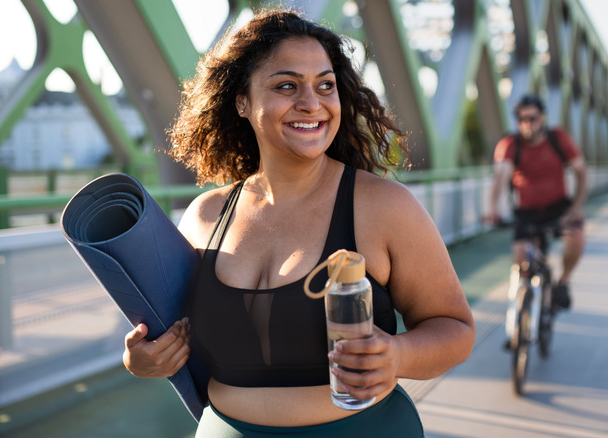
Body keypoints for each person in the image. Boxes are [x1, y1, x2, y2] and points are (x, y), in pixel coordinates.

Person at [122, 9, 475, 437]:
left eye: (325, 85)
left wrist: (398, 355)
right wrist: (143, 359)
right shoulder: (205, 216)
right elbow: (170, 334)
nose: (312, 103)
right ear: (242, 102)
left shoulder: (384, 207)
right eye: (287, 85)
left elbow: (455, 329)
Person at [484, 94, 588, 315]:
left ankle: (563, 283)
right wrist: (492, 208)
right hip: (527, 211)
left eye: (532, 118)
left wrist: (576, 207)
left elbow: (581, 173)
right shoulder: (510, 144)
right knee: (522, 260)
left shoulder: (558, 138)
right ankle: (522, 324)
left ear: (543, 117)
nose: (528, 125)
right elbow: (500, 178)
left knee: (576, 237)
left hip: (559, 206)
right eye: (522, 120)